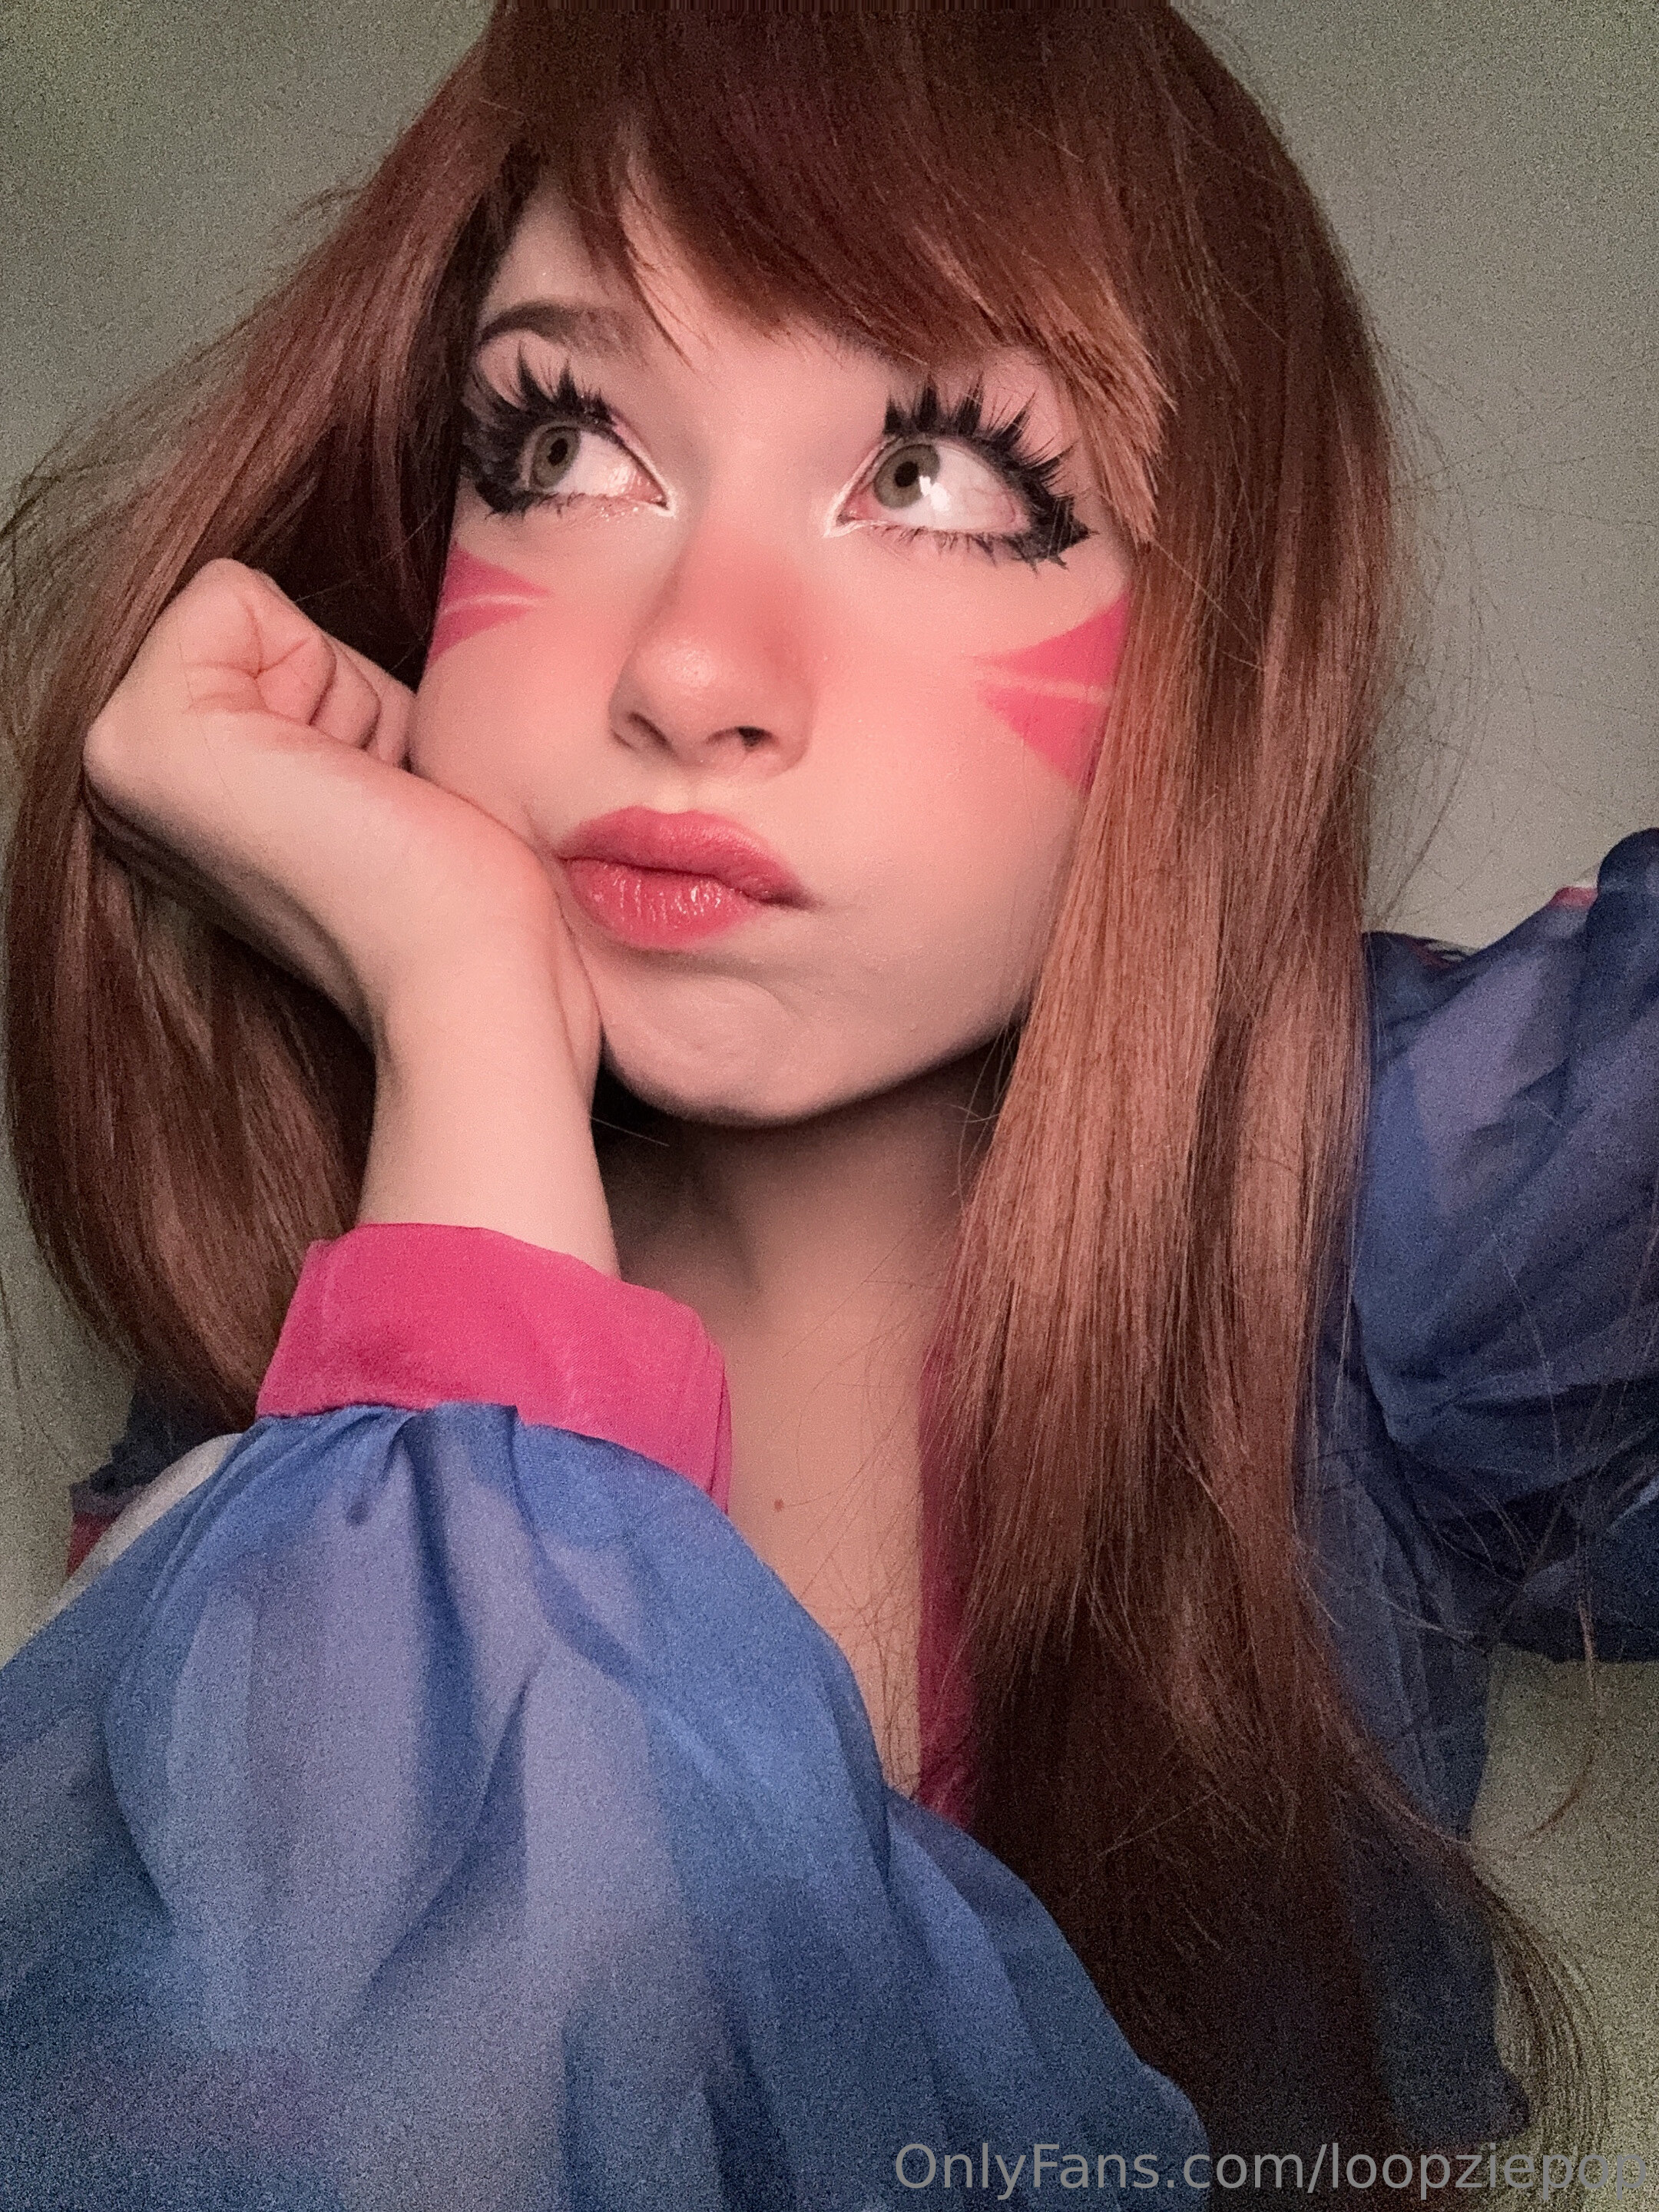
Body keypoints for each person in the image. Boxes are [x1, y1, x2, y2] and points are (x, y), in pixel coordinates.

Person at [2, 5, 1654, 2206]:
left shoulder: (1396, 1196)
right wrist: (465, 1013)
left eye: (943, 477)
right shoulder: (313, 1337)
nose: (687, 666)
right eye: (562, 444)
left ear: (1227, 639)